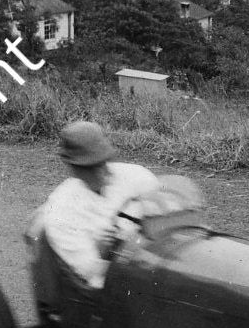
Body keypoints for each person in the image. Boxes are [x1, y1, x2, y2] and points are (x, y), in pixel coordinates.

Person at [41, 121, 160, 290]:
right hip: (114, 287)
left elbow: (166, 213)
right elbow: (89, 270)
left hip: (154, 258)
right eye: (90, 167)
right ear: (73, 168)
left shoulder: (137, 176)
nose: (101, 172)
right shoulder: (61, 210)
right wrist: (101, 248)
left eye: (102, 162)